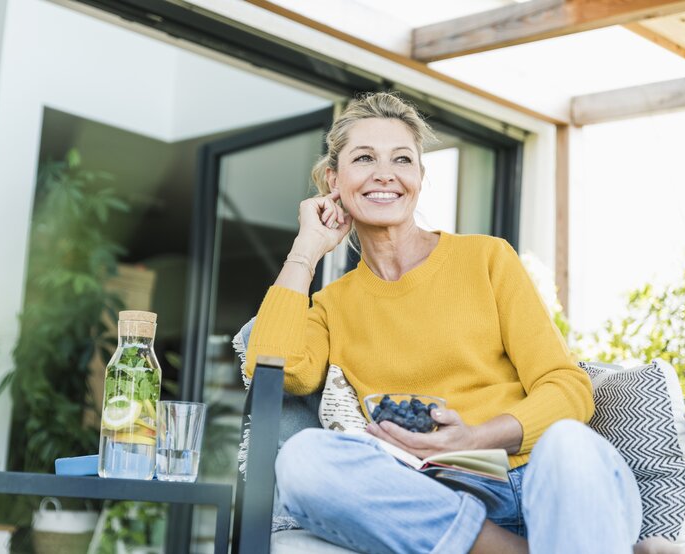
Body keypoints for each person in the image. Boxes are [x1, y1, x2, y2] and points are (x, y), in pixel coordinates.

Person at [244, 92, 662, 553]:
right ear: (333, 180)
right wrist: (306, 248)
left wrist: (476, 436)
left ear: (419, 178)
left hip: (536, 481)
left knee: (569, 443)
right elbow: (269, 368)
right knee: (304, 460)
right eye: (364, 158)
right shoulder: (331, 305)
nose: (385, 173)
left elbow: (568, 386)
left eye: (402, 159)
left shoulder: (487, 258)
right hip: (430, 498)